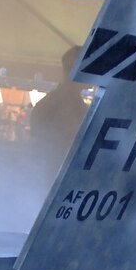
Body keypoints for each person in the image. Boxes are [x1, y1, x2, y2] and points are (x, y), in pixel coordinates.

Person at [29, 45, 87, 183]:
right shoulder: (69, 106)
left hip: (49, 177)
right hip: (53, 178)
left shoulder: (47, 104)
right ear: (76, 69)